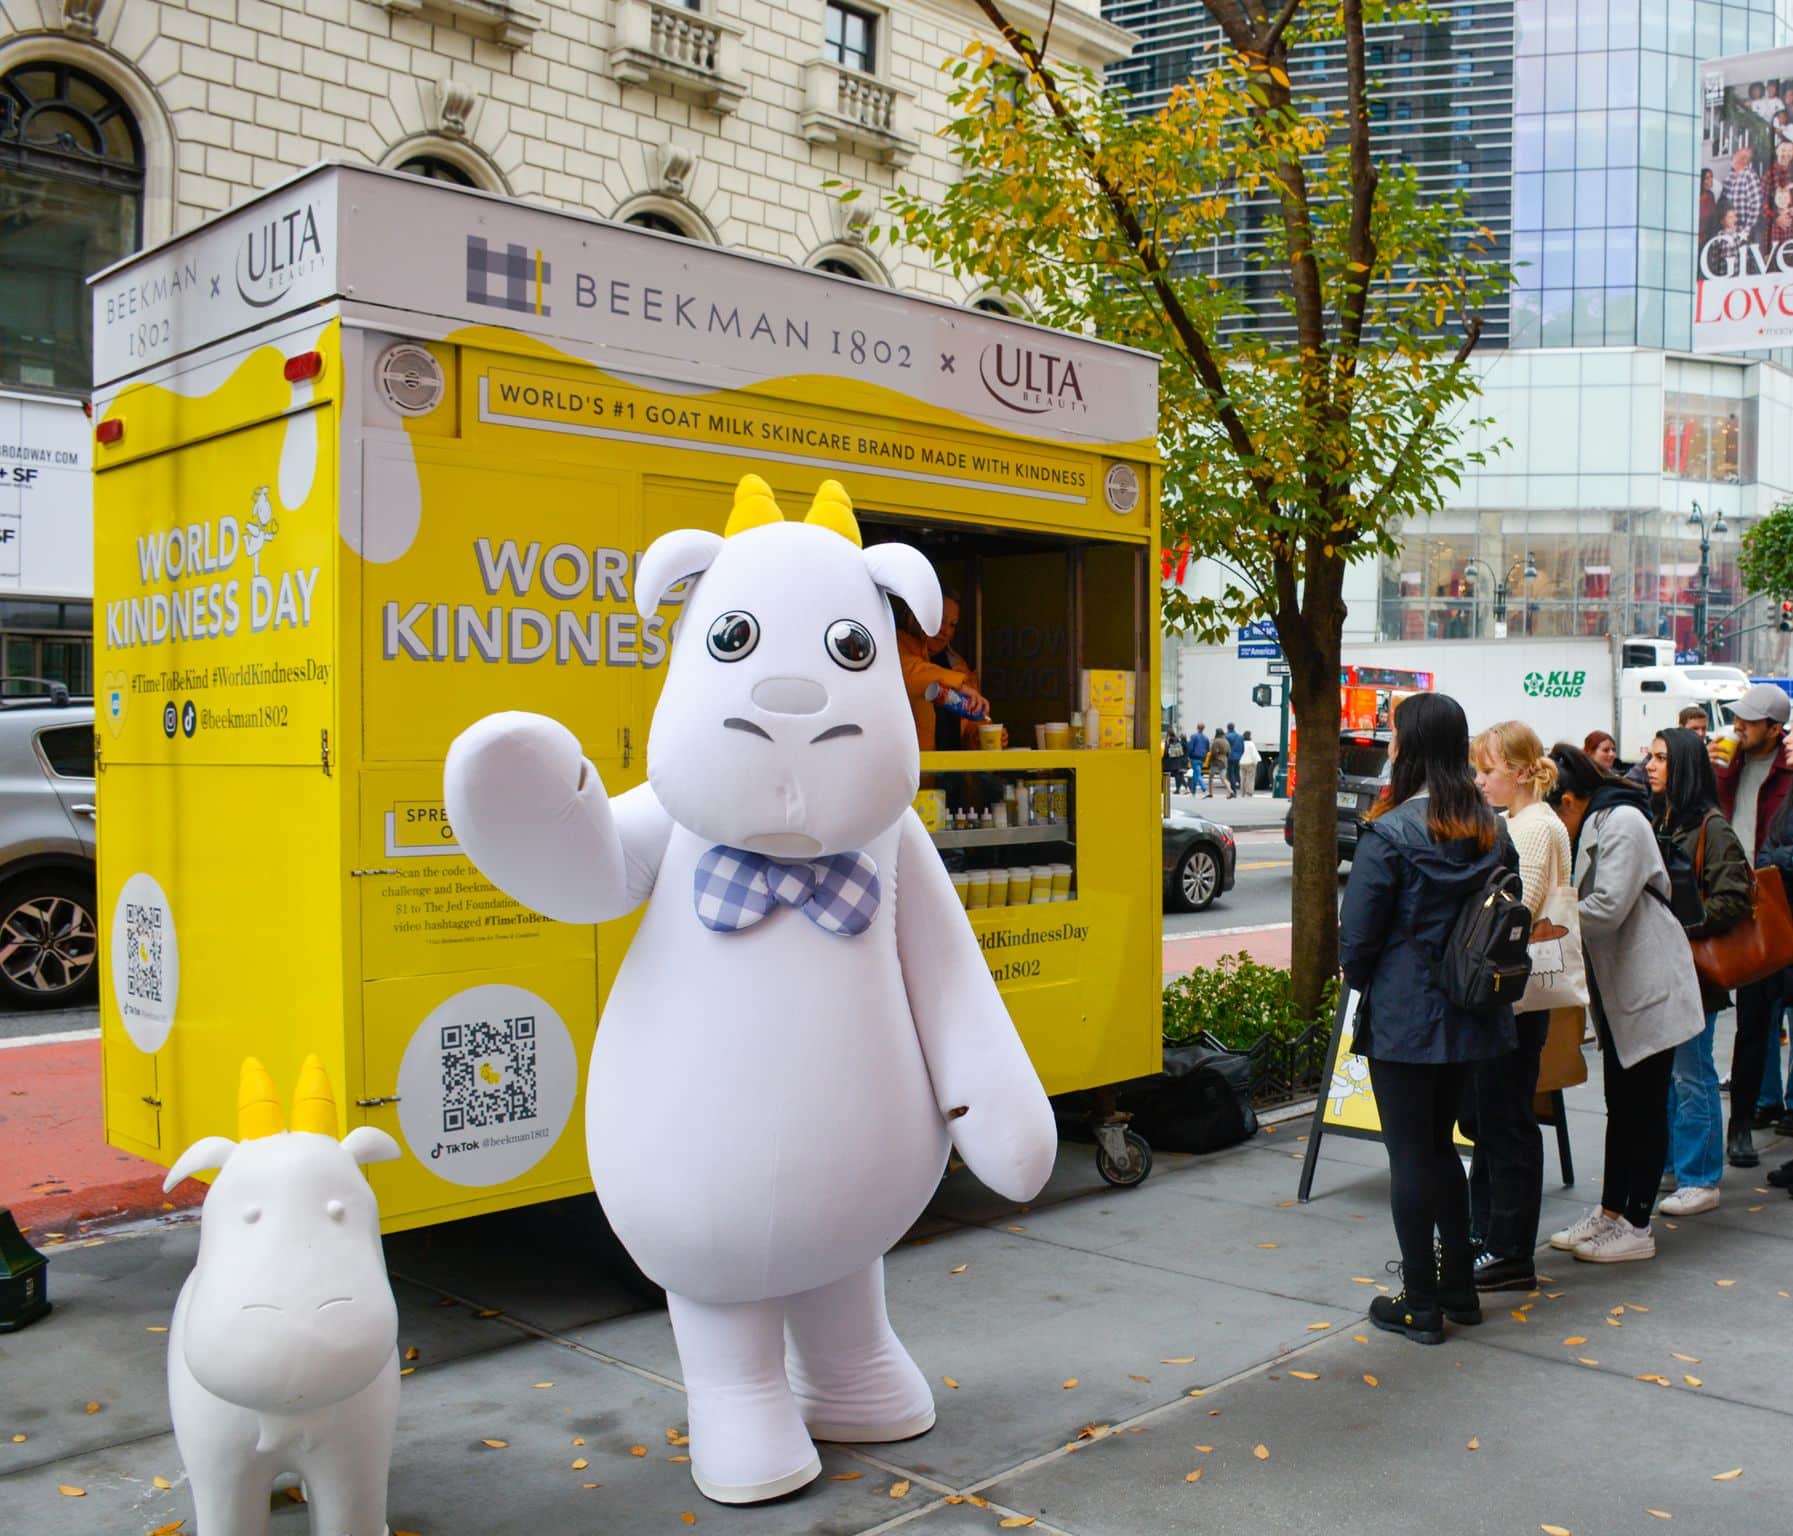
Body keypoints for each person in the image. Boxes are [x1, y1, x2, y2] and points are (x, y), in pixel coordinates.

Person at [1339, 692, 1517, 1343]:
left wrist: (1364, 979)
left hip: (1406, 1019)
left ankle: (1419, 1302)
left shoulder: (1387, 834)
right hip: (1472, 1014)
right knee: (1444, 1150)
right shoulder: (1490, 829)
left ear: (1407, 747)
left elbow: (1355, 941)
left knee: (1411, 1155)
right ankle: (1459, 1288)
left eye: (1391, 735)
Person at [1545, 745, 1703, 1263]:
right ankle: (1611, 1212)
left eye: (1556, 814)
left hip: (1649, 982)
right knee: (1622, 1102)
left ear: (1571, 800)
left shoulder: (1623, 821)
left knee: (1645, 1103)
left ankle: (1637, 1223)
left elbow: (1608, 908)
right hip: (1620, 988)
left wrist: (1547, 922)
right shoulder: (1594, 821)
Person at [1464, 721, 1572, 1292]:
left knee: (1505, 1122)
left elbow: (1516, 911)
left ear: (1521, 771)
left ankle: (1507, 1249)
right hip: (1520, 999)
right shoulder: (1526, 821)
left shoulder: (1530, 827)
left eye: (1487, 770)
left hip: (1516, 1000)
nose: (1479, 781)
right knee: (1498, 1120)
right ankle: (1492, 1238)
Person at [1645, 728, 1752, 1217]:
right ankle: (1676, 1165)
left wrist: (1680, 922)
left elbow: (1734, 901)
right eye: (1650, 756)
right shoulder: (1661, 818)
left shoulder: (1712, 827)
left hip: (1695, 972)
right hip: (1665, 967)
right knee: (1670, 1073)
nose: (1649, 765)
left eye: (1661, 758)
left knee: (1692, 1073)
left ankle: (1700, 1177)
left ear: (1683, 767)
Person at [1711, 682, 1793, 1167]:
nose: (1738, 727)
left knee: (1771, 1016)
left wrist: (1767, 861)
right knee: (1752, 1022)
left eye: (1749, 721)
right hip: (1738, 905)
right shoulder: (1730, 765)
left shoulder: (1788, 775)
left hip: (1780, 903)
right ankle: (1740, 1123)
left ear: (1775, 728)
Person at [895, 595, 989, 753]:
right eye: (940, 620)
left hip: (951, 773)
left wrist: (980, 737)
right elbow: (911, 673)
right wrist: (957, 685)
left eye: (952, 624)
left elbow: (970, 722)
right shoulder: (896, 646)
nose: (946, 631)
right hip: (913, 773)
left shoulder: (957, 666)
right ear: (918, 615)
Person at [1724, 146, 1763, 245]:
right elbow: (1724, 203)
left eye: (1737, 155)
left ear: (1745, 160)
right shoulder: (1729, 177)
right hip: (1732, 227)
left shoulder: (1750, 175)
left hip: (1746, 228)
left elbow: (1756, 204)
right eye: (1736, 154)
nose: (1734, 157)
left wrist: (1747, 229)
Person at [1204, 729, 1232, 799]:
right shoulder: (1226, 741)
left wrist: (1215, 757)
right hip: (1224, 760)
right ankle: (1230, 791)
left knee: (1211, 777)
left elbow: (1213, 751)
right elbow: (1229, 752)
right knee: (1223, 778)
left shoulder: (1216, 741)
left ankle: (1210, 793)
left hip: (1216, 761)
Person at [1187, 722, 1210, 795]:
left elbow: (1190, 747)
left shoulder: (1193, 736)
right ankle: (1193, 791)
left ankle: (1204, 789)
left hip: (1194, 757)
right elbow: (1207, 749)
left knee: (1197, 774)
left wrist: (1189, 755)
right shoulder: (1206, 738)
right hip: (1202, 758)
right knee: (1195, 774)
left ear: (1197, 728)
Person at [1238, 731, 1261, 797]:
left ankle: (1242, 792)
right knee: (1250, 778)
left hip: (1242, 763)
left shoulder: (1241, 743)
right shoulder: (1251, 744)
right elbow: (1254, 754)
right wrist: (1256, 761)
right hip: (1250, 763)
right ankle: (1249, 792)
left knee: (1242, 778)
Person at [1224, 723, 1244, 796]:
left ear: (1228, 728)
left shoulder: (1226, 736)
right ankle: (1240, 789)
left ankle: (1233, 791)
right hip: (1238, 757)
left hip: (1230, 757)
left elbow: (1225, 748)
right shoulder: (1240, 737)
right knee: (1236, 773)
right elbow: (1243, 748)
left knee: (1231, 774)